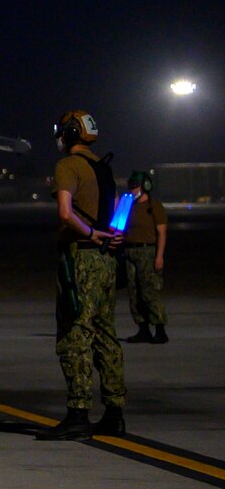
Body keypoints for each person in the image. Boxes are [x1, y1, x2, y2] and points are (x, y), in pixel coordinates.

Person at [36, 110, 126, 441]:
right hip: (106, 260)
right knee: (106, 335)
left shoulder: (67, 166)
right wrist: (109, 235)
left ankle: (78, 414)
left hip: (81, 259)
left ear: (72, 134)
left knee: (75, 334)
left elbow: (64, 213)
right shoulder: (103, 168)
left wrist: (89, 232)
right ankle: (115, 413)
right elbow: (117, 213)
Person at [118, 170, 169, 345]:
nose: (132, 190)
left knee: (149, 292)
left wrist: (159, 256)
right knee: (133, 292)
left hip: (147, 252)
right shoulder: (128, 206)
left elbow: (162, 232)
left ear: (145, 186)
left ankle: (160, 329)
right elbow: (118, 227)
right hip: (130, 251)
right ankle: (143, 329)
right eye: (131, 186)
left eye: (136, 186)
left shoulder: (154, 206)